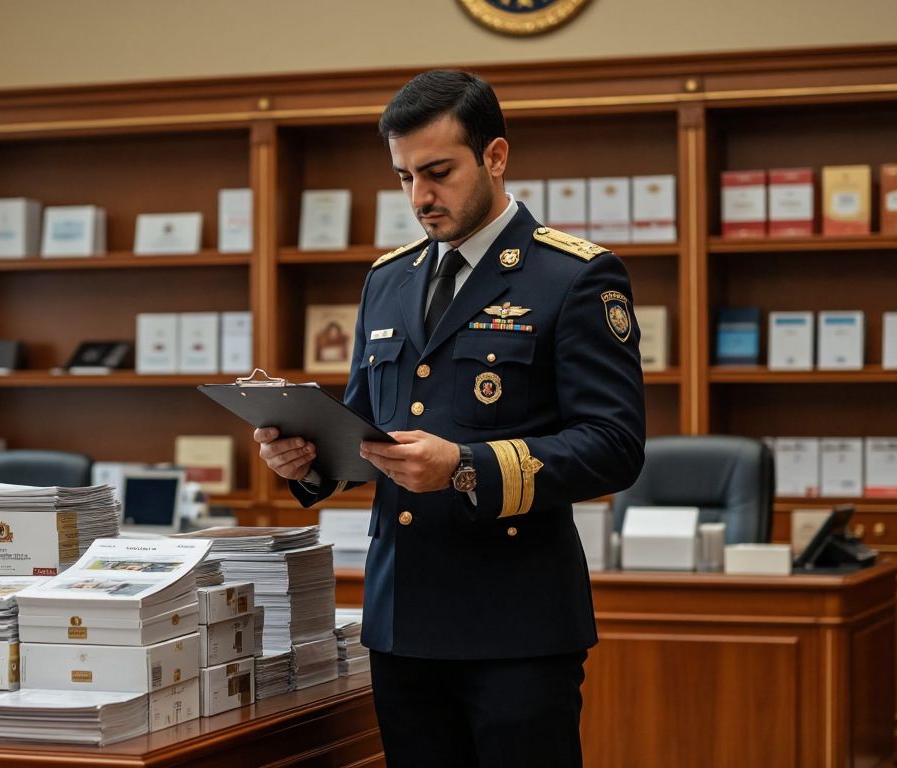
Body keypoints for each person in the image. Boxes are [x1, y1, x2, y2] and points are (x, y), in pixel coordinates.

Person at [254, 69, 645, 767]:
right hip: (403, 621)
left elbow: (614, 445)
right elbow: (367, 427)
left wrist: (467, 466)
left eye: (438, 172)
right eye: (404, 176)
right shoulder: (389, 277)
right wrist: (310, 461)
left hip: (516, 627)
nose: (420, 198)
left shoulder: (575, 276)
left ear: (495, 156)